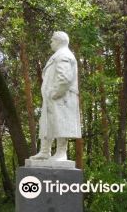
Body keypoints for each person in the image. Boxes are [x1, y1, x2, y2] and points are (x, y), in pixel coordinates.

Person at [30, 31, 81, 161]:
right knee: (48, 123)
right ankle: (45, 151)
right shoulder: (58, 55)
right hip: (53, 98)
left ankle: (61, 153)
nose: (51, 43)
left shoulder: (64, 55)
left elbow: (65, 78)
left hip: (61, 98)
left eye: (52, 40)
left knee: (60, 123)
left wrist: (55, 93)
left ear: (58, 41)